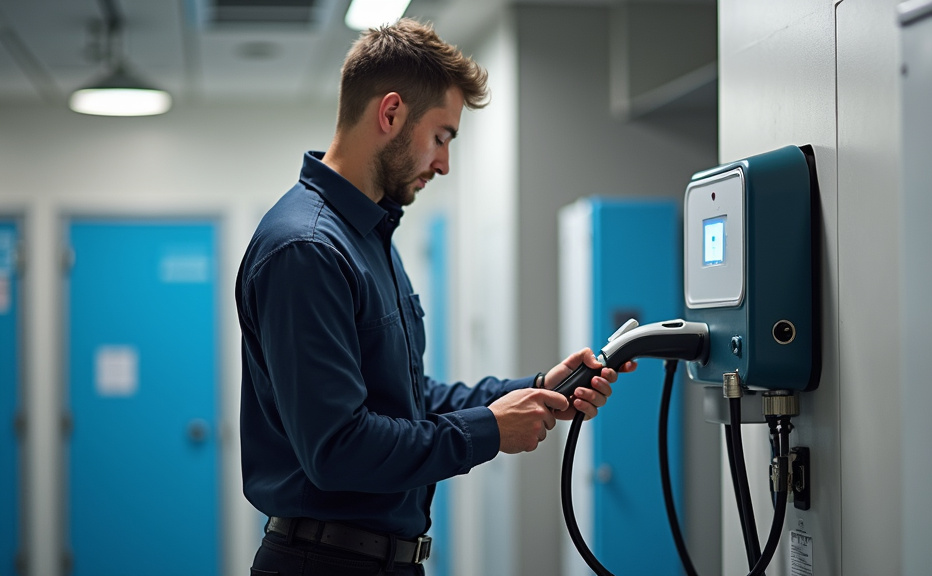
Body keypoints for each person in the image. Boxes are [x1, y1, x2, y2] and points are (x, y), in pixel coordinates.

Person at [236, 18, 636, 576]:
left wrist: (536, 388)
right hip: (325, 563)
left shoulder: (367, 238)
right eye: (442, 137)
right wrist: (489, 430)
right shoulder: (307, 248)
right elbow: (338, 448)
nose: (444, 163)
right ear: (391, 113)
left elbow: (408, 400)